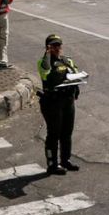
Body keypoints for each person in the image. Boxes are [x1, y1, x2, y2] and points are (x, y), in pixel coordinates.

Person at [38, 33, 82, 175]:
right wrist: (47, 55)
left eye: (58, 45)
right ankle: (52, 165)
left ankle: (65, 160)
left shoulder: (66, 60)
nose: (57, 48)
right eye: (53, 45)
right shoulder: (44, 62)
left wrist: (76, 87)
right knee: (54, 134)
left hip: (67, 101)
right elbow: (45, 71)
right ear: (47, 47)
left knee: (67, 133)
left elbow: (75, 73)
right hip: (52, 102)